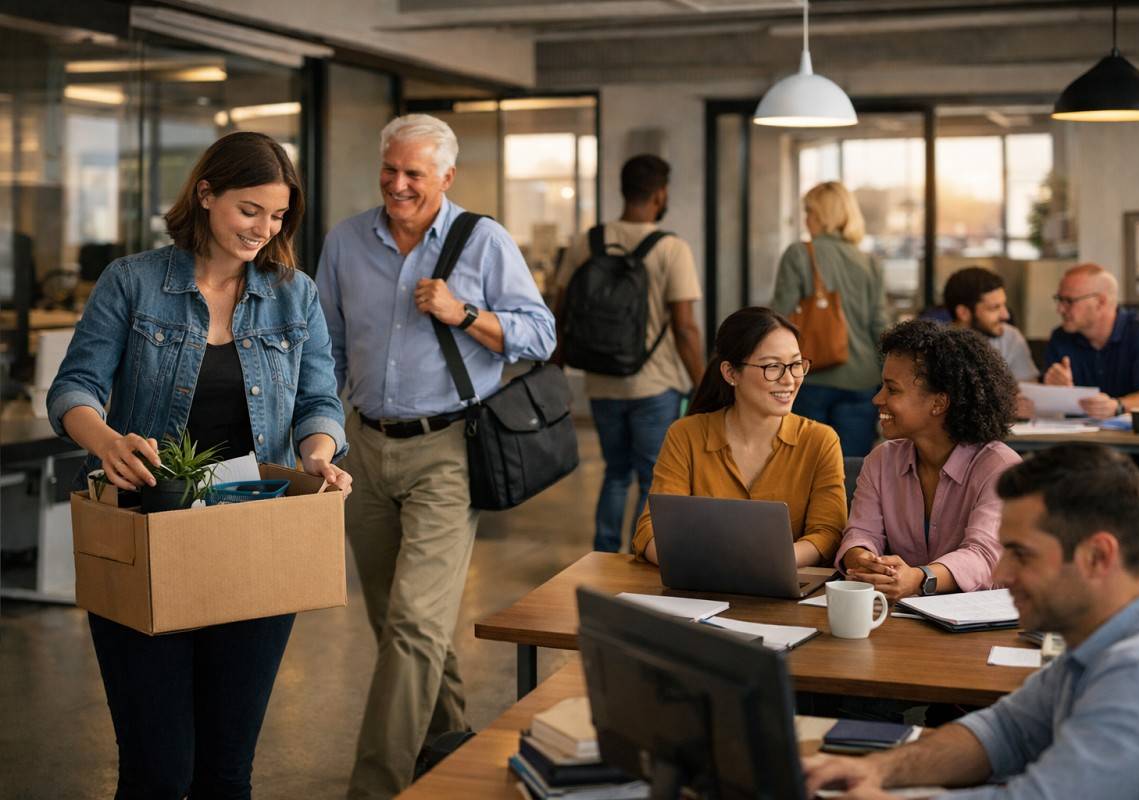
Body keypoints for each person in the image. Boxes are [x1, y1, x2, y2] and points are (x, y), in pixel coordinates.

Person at [47, 131, 351, 796]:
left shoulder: (292, 293)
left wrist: (319, 455)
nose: (263, 229)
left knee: (226, 769)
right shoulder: (132, 282)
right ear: (206, 193)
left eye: (277, 217)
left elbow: (319, 399)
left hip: (254, 534)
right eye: (250, 210)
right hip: (147, 528)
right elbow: (73, 390)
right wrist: (106, 443)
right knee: (157, 770)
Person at [316, 114, 556, 798]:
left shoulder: (484, 241)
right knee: (398, 622)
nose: (397, 184)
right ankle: (453, 751)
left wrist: (465, 315)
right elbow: (327, 350)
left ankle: (376, 785)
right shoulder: (344, 242)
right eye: (389, 170)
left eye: (414, 173)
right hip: (363, 448)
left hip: (448, 450)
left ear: (446, 178)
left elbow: (541, 335)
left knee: (417, 625)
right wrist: (320, 435)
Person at [806, 442, 1139, 799]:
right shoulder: (1096, 643)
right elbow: (1003, 732)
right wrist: (872, 769)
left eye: (1020, 554)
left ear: (1097, 557)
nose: (1003, 573)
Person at [553, 154, 705, 552]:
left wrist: (555, 369)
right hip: (654, 385)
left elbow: (560, 308)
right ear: (660, 193)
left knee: (614, 472)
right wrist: (703, 383)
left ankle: (603, 554)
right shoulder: (671, 249)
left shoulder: (589, 241)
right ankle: (642, 552)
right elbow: (685, 327)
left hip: (601, 381)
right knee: (651, 477)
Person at [631, 306, 846, 567]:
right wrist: (699, 565)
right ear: (731, 373)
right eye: (773, 367)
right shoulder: (685, 435)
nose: (789, 380)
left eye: (796, 365)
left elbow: (828, 534)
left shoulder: (821, 441)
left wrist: (759, 564)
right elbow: (651, 528)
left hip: (784, 595)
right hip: (697, 591)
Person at [835, 320, 1021, 602]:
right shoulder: (881, 460)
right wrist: (865, 560)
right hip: (896, 620)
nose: (877, 399)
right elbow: (861, 532)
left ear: (938, 403)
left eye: (892, 390)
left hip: (974, 633)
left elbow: (984, 557)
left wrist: (920, 578)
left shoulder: (1000, 468)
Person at [770, 181, 887, 458]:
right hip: (862, 381)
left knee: (806, 468)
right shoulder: (870, 262)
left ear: (822, 215)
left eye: (809, 212)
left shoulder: (799, 254)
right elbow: (879, 324)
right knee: (851, 470)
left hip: (811, 377)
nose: (806, 219)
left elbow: (779, 318)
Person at [1039, 262, 1139, 419]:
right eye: (1059, 299)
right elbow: (1050, 409)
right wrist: (1053, 390)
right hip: (1084, 436)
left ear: (1100, 302)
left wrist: (1116, 407)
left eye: (1069, 301)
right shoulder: (1060, 337)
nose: (1060, 309)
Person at [943, 266, 1038, 382]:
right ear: (963, 313)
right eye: (994, 308)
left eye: (1004, 305)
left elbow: (1030, 389)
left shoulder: (1011, 337)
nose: (1006, 315)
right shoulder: (937, 348)